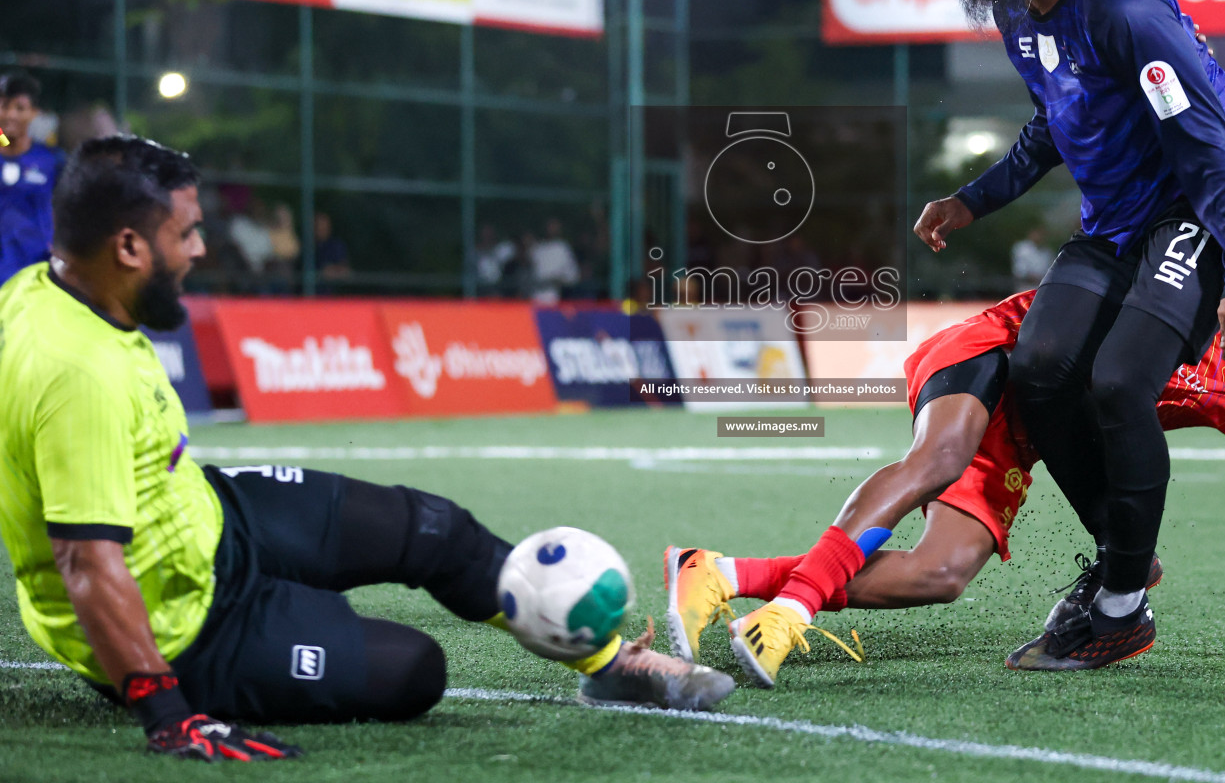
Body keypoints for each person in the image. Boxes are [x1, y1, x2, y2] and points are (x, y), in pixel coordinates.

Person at [0, 137, 732, 763]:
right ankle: (264, 627)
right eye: (185, 233)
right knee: (413, 671)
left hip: (211, 516)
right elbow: (86, 564)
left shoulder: (42, 286)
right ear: (128, 247)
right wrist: (167, 712)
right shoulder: (77, 374)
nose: (200, 248)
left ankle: (612, 665)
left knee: (434, 528)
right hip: (185, 627)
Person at [667, 217, 1225, 685]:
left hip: (1026, 432)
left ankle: (720, 573)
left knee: (941, 575)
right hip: (1000, 352)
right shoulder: (1205, 262)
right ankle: (796, 609)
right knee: (937, 460)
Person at [911, 0, 1225, 664]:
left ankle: (1118, 610)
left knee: (1119, 381)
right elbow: (1057, 119)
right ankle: (1126, 553)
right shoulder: (1015, 4)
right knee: (1040, 372)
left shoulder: (1124, 9)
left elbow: (1210, 147)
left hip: (1210, 198)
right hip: (1119, 218)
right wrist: (975, 201)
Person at [0, 72, 63, 285]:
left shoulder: (51, 160)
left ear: (34, 112)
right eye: (4, 106)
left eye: (19, 108)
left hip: (35, 274)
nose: (10, 115)